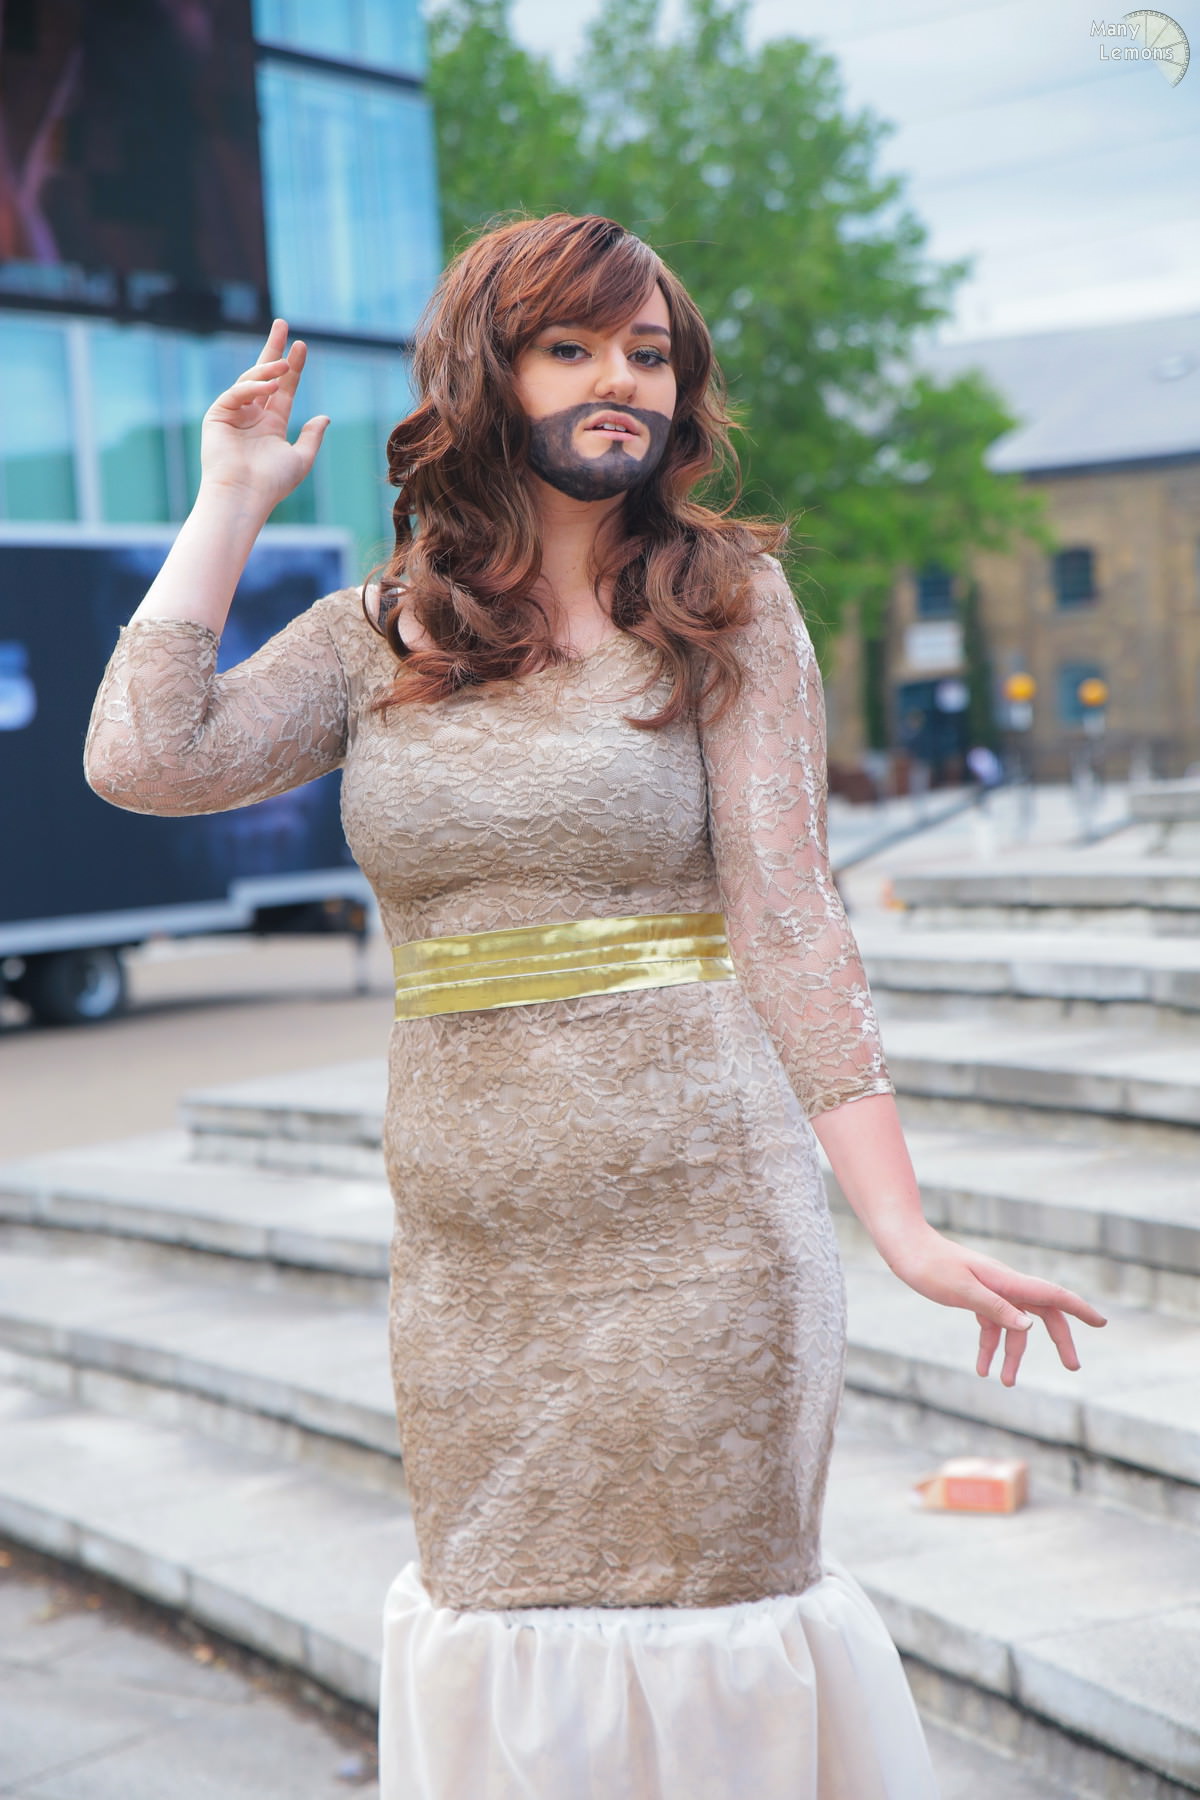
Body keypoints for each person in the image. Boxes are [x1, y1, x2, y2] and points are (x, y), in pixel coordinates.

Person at [84, 213, 1105, 1800]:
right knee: (507, 1642)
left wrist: (900, 1228)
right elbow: (146, 760)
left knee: (710, 1649)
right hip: (474, 1261)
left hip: (706, 1240)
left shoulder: (727, 603)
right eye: (572, 348)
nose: (621, 379)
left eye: (648, 351)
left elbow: (788, 911)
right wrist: (229, 500)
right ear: (486, 377)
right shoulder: (378, 635)